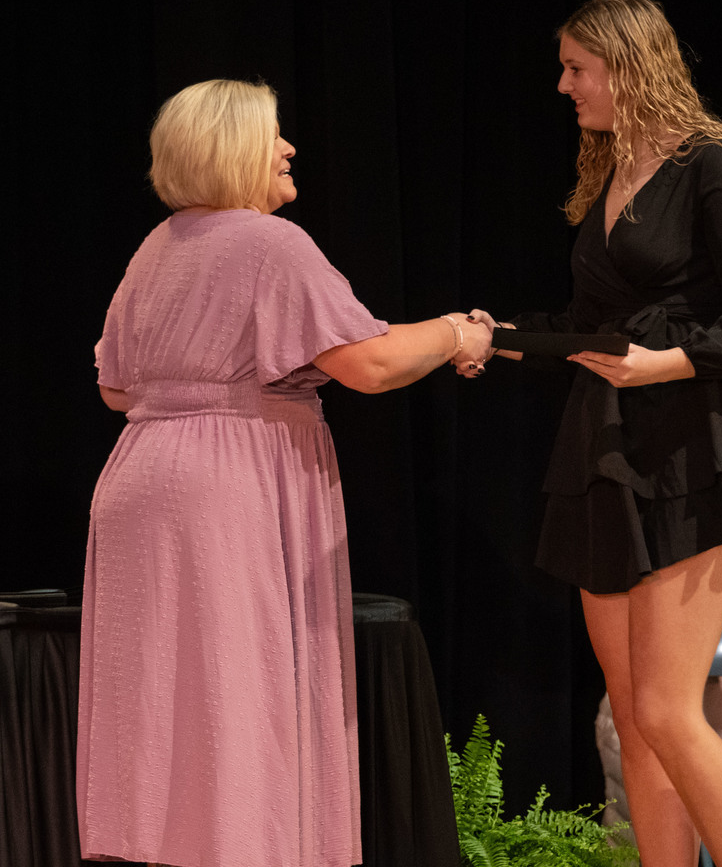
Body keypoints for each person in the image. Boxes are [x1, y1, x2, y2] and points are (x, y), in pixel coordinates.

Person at [76, 78, 491, 867]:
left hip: (140, 476)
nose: (290, 148)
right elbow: (368, 363)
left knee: (162, 708)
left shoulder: (159, 245)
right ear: (232, 148)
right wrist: (455, 332)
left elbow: (112, 386)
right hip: (226, 485)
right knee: (238, 697)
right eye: (274, 135)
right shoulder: (269, 244)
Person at [463, 0, 722, 866]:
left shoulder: (711, 165)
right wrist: (491, 341)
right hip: (605, 451)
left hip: (692, 446)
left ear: (629, 65)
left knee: (664, 711)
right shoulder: (611, 173)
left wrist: (666, 364)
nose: (565, 85)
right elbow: (590, 325)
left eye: (578, 68)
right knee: (633, 719)